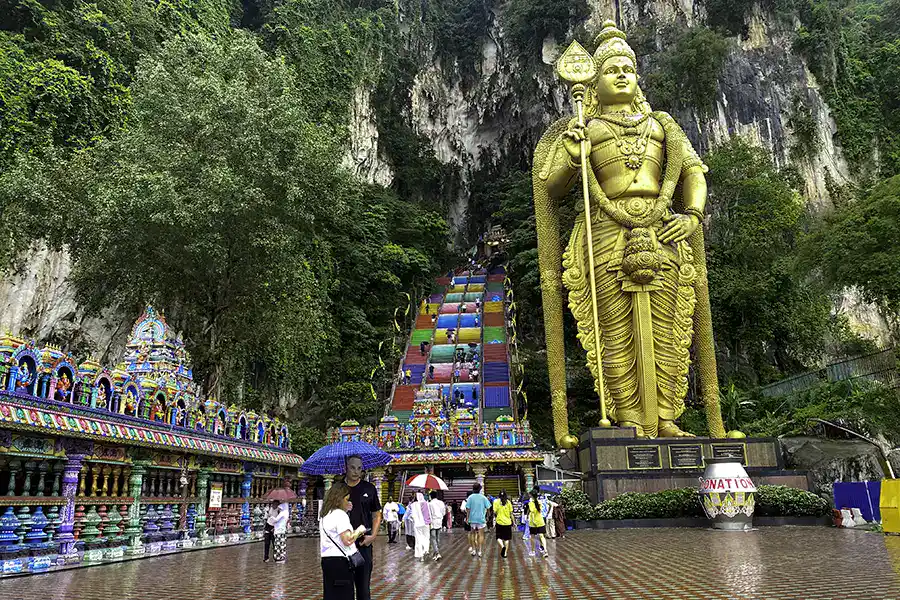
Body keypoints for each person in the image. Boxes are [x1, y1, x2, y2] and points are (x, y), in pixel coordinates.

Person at [320, 481, 365, 600]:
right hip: (341, 562)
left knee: (331, 594)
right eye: (346, 499)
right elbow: (347, 540)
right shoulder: (340, 515)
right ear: (339, 499)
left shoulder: (325, 515)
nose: (348, 502)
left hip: (327, 560)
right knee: (344, 594)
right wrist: (360, 530)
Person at [345, 455, 382, 600]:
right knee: (344, 587)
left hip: (362, 543)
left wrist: (373, 536)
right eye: (352, 467)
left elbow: (376, 514)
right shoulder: (338, 489)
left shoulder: (369, 488)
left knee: (363, 588)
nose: (356, 471)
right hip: (342, 544)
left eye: (359, 468)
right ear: (345, 467)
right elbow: (326, 514)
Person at [465, 482, 491, 558]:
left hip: (472, 519)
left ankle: (473, 550)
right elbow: (488, 507)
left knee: (472, 534)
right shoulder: (483, 497)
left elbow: (467, 508)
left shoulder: (470, 497)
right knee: (481, 535)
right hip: (481, 518)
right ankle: (479, 551)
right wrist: (487, 516)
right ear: (480, 489)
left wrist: (467, 517)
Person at [526, 488, 549, 558]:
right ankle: (545, 550)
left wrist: (531, 520)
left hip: (533, 523)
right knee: (542, 536)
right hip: (540, 522)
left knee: (532, 537)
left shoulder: (530, 503)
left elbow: (532, 513)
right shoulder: (540, 502)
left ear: (531, 495)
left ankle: (533, 551)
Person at [410, 492, 431, 561]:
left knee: (419, 539)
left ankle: (421, 555)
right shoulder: (426, 503)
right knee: (426, 537)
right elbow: (429, 514)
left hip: (417, 524)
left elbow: (412, 515)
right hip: (426, 523)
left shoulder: (413, 505)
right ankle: (426, 549)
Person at [493, 490, 513, 558]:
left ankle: (502, 546)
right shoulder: (508, 502)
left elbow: (494, 512)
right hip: (508, 523)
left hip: (499, 522)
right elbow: (511, 514)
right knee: (507, 539)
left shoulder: (496, 502)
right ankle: (505, 553)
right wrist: (514, 522)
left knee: (498, 537)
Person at [428, 491, 446, 561]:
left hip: (433, 521)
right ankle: (436, 552)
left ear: (430, 496)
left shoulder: (430, 504)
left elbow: (429, 514)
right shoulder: (441, 503)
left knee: (433, 537)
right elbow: (444, 512)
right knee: (438, 537)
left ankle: (437, 552)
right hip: (439, 521)